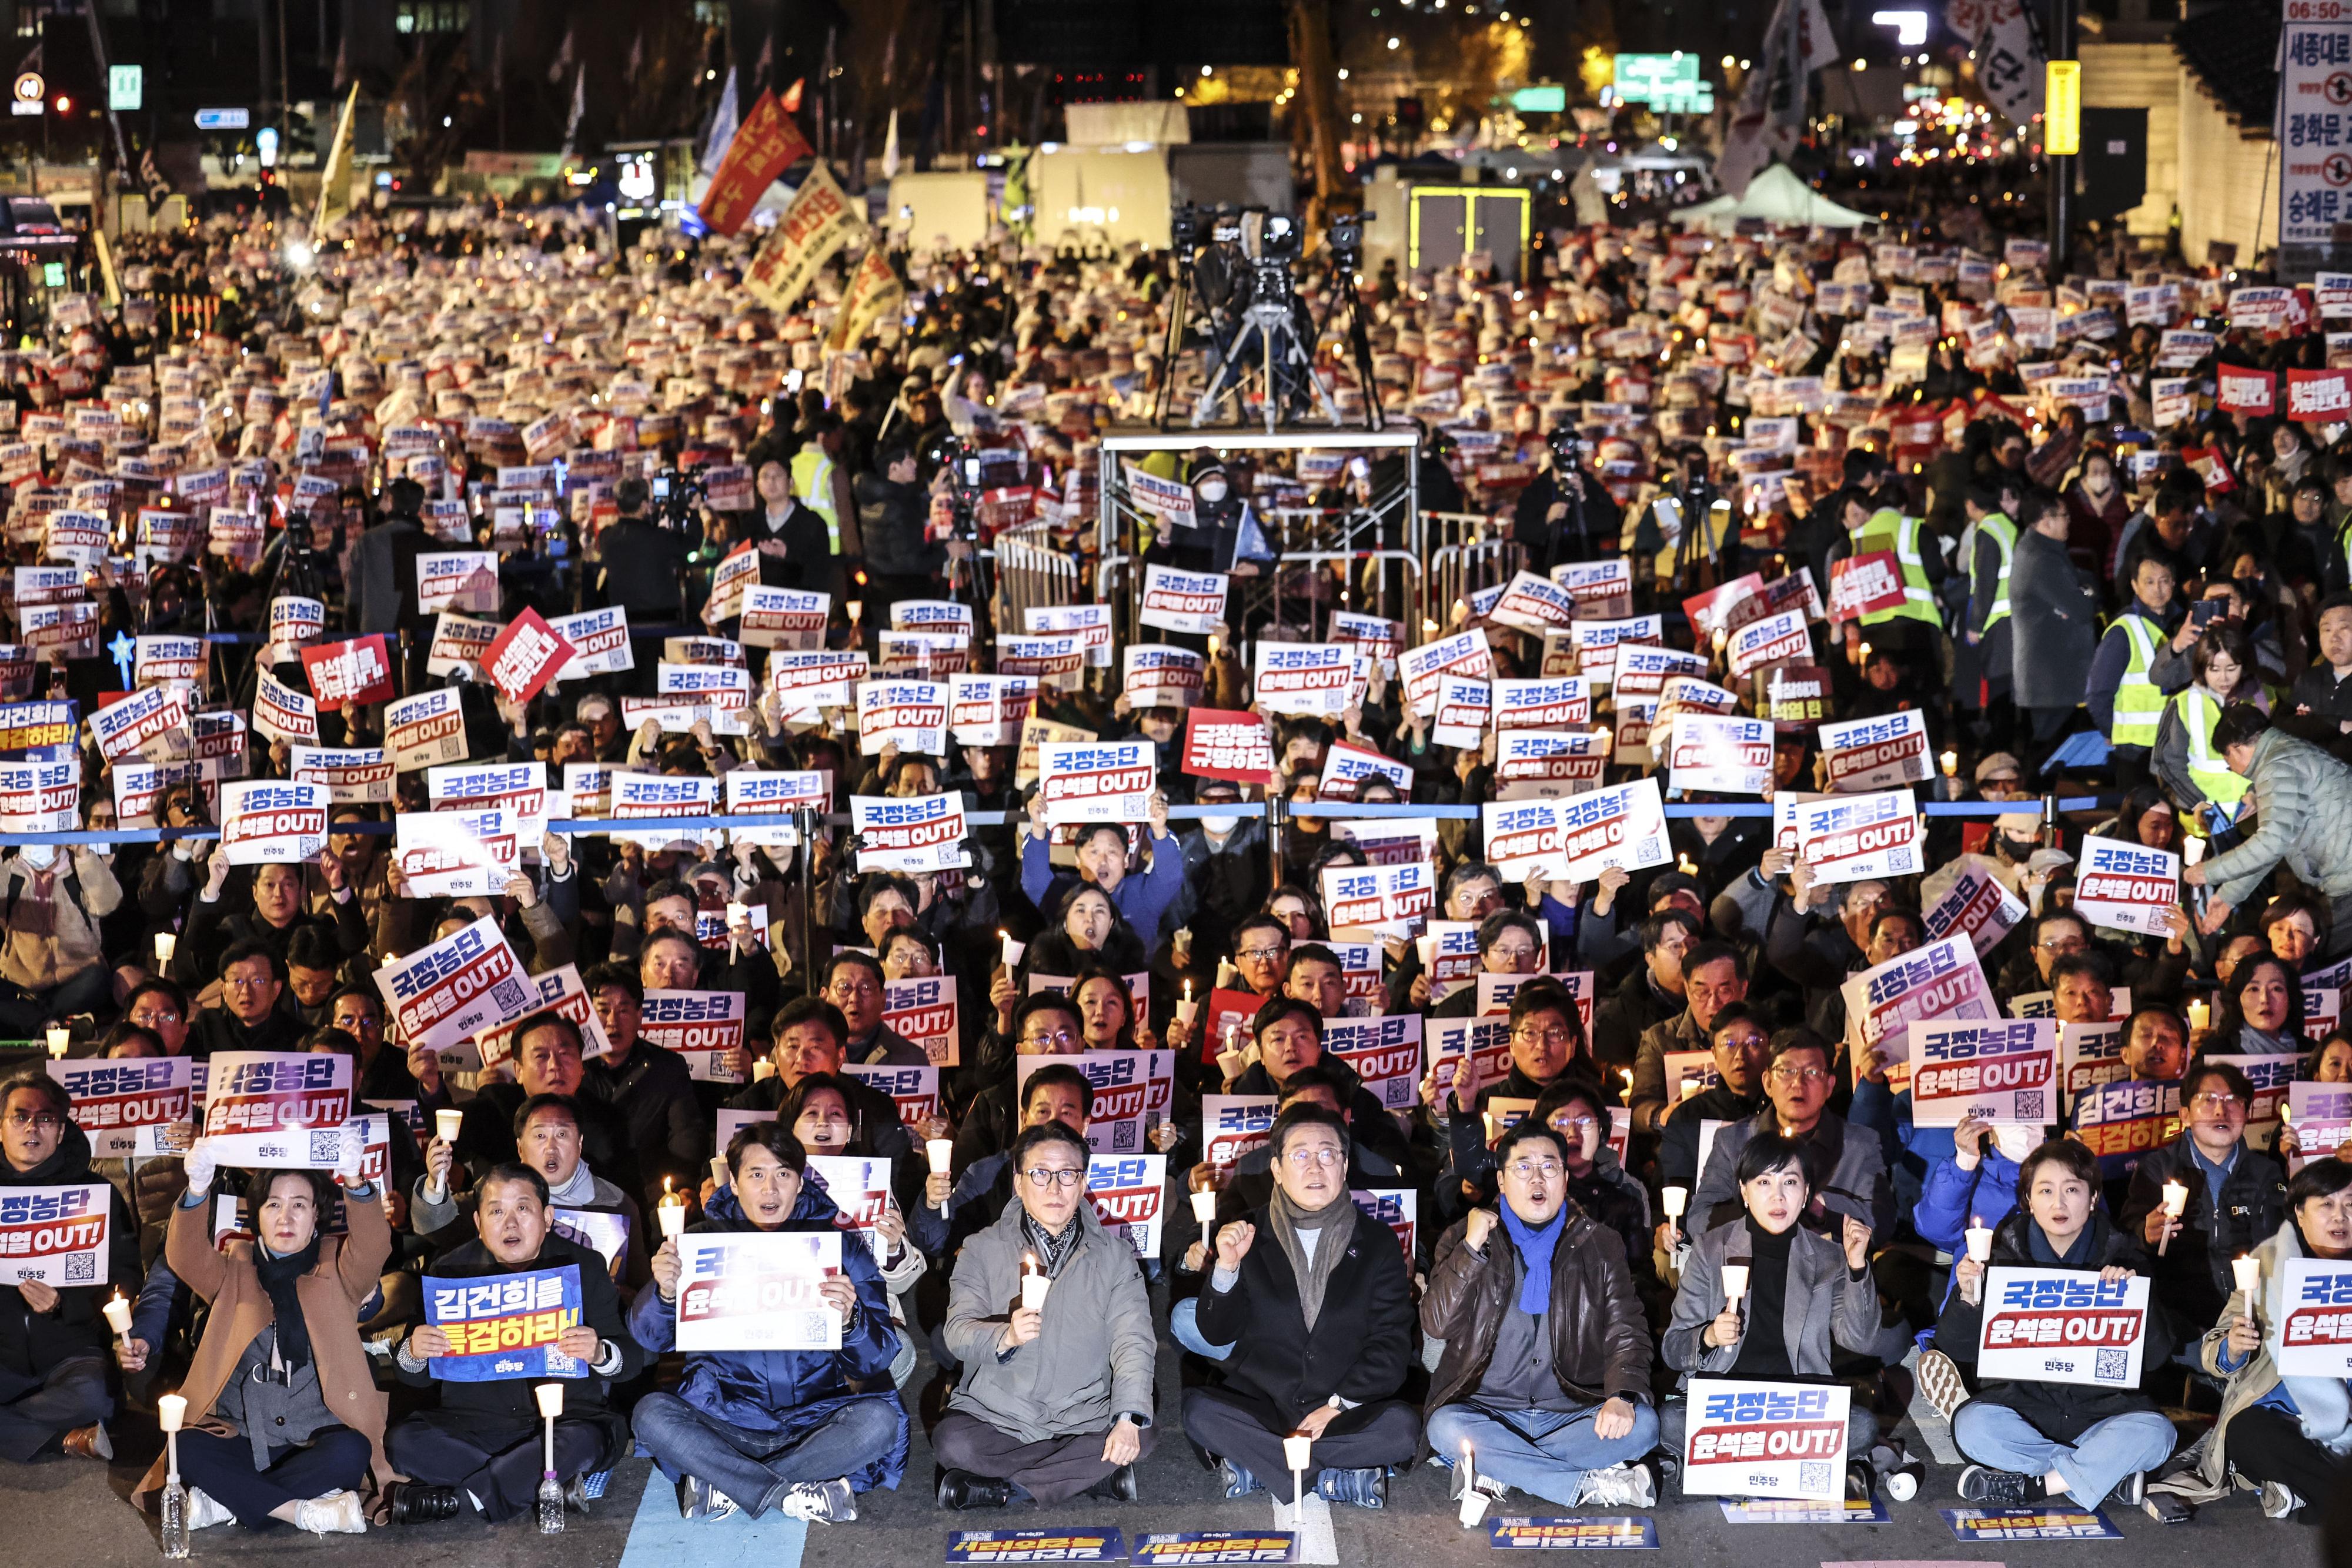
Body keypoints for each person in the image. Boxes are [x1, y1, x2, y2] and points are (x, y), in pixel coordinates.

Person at [629, 1121, 906, 1523]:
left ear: (800, 1182)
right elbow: (649, 1339)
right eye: (756, 1174)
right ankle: (791, 1492)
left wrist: (852, 1320)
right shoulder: (699, 1243)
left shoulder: (839, 1246)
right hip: (724, 1418)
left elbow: (877, 1358)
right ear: (735, 1184)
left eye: (783, 1174)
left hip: (814, 1420)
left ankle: (727, 1484)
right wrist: (665, 1293)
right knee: (650, 1414)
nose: (770, 1189)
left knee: (880, 1421)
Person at [135, 1137, 387, 1533]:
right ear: (257, 1215)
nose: (286, 1217)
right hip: (241, 1433)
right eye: (274, 1204)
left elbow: (374, 1247)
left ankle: (226, 1501)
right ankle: (299, 1511)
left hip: (310, 1437)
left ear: (316, 1215)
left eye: (299, 1205)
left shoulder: (337, 1270)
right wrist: (198, 1188)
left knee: (352, 1450)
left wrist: (356, 1181)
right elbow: (183, 1255)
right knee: (184, 1446)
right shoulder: (234, 1267)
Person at [1923, 1139, 2183, 1520]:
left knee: (2159, 1434)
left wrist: (2136, 1299)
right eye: (2045, 1190)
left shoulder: (2125, 1257)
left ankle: (2036, 1483)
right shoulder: (2001, 1257)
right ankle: (2099, 1476)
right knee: (1971, 1425)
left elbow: (2158, 1357)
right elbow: (1953, 1346)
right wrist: (1968, 1298)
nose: (2058, 1203)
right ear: (2028, 1200)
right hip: (2025, 1405)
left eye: (2072, 1189)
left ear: (2093, 1198)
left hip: (2102, 1411)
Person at [1182, 1104, 1419, 1516]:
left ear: (1344, 1167)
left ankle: (1263, 1468)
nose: (1315, 1167)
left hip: (1344, 1408)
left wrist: (1337, 1405)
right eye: (1300, 1155)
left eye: (1328, 1154)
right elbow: (1217, 1334)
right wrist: (1226, 1266)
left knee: (1404, 1426)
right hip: (1267, 1405)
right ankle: (1331, 1476)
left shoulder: (1378, 1241)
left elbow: (1392, 1344)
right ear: (1276, 1168)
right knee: (1198, 1410)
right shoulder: (1247, 1232)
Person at [386, 1161, 645, 1524]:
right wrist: (414, 1352)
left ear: (548, 1216)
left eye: (523, 1208)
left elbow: (633, 1358)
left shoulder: (582, 1265)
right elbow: (413, 1376)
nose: (510, 1223)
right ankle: (541, 1486)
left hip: (562, 1424)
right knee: (403, 1441)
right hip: (473, 1427)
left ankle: (462, 1500)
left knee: (585, 1440)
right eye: (496, 1211)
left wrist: (600, 1352)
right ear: (478, 1223)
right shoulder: (448, 1271)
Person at [1421, 1120, 1661, 1509]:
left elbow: (1626, 1328)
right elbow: (1437, 1322)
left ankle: (1500, 1468)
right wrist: (1470, 1249)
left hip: (1570, 1411)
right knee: (1444, 1426)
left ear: (1565, 1178)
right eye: (1523, 1167)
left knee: (1645, 1423)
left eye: (1549, 1167)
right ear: (1501, 1180)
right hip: (1489, 1410)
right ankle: (1591, 1485)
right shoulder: (1463, 1238)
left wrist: (1620, 1394)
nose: (1537, 1178)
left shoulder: (1599, 1242)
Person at [934, 1121, 1156, 1508]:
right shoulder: (981, 1248)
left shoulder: (1116, 1255)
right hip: (1000, 1413)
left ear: (1083, 1183)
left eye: (1067, 1174)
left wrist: (1125, 1419)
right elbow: (956, 1333)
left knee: (1143, 1428)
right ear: (1019, 1182)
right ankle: (1086, 1478)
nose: (1055, 1188)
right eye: (1040, 1173)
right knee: (953, 1441)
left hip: (1085, 1414)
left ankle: (1004, 1489)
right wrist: (1006, 1337)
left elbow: (1132, 1339)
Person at [1660, 1132, 1885, 1503]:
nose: (1777, 1197)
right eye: (1763, 1182)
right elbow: (1673, 1349)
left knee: (1862, 1426)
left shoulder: (1828, 1256)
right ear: (1745, 1193)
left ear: (1807, 1192)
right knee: (1669, 1419)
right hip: (1727, 1404)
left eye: (1790, 1183)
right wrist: (1710, 1338)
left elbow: (1860, 1341)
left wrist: (1858, 1268)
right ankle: (1789, 1470)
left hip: (1795, 1406)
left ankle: (1727, 1470)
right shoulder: (1711, 1249)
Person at [2174, 1156, 2352, 1517]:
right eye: (2327, 1205)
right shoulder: (2267, 1265)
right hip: (2280, 1415)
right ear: (2300, 1213)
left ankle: (2317, 1499)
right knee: (2246, 1432)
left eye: (2351, 1205)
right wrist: (2233, 1348)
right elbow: (2214, 1349)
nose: (2340, 1217)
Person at [0, 1073, 138, 1463]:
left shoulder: (97, 1194)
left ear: (61, 1131)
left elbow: (126, 1275)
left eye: (45, 1119)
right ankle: (66, 1438)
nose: (32, 1127)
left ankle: (20, 1431)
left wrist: (65, 1304)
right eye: (19, 1117)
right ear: (1, 1126)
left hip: (74, 1355)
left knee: (97, 1395)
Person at [2122, 1061, 2287, 1356]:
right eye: (2208, 1100)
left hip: (2254, 1320)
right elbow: (2124, 1239)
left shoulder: (2267, 1172)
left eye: (2233, 1101)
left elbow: (2276, 1248)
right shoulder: (2157, 1169)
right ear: (2184, 1114)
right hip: (2182, 1327)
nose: (2221, 1111)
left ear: (2247, 1114)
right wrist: (2144, 1233)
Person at [2186, 705, 2352, 954]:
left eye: (2227, 760)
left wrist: (2207, 872)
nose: (2232, 768)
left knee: (2338, 967)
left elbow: (2271, 843)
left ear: (2236, 748)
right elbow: (2275, 845)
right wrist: (2229, 896)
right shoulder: (2287, 754)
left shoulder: (2277, 766)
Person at [0, 834, 123, 1032]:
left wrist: (84, 855)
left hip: (77, 978)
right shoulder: (10, 872)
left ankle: (37, 1021)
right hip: (23, 985)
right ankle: (58, 1022)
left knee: (98, 979)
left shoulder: (78, 868)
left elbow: (108, 903)